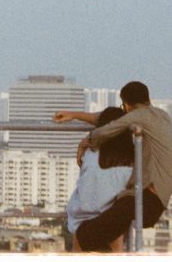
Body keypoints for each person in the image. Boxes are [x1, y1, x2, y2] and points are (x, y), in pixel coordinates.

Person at [53, 81, 172, 252]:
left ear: (126, 104)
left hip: (146, 198)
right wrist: (75, 115)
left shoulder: (139, 116)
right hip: (154, 198)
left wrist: (87, 141)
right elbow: (110, 119)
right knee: (95, 234)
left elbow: (110, 127)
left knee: (84, 235)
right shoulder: (162, 116)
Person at [64, 107, 134, 252]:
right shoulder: (131, 159)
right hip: (111, 220)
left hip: (81, 218)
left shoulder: (90, 153)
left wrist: (75, 114)